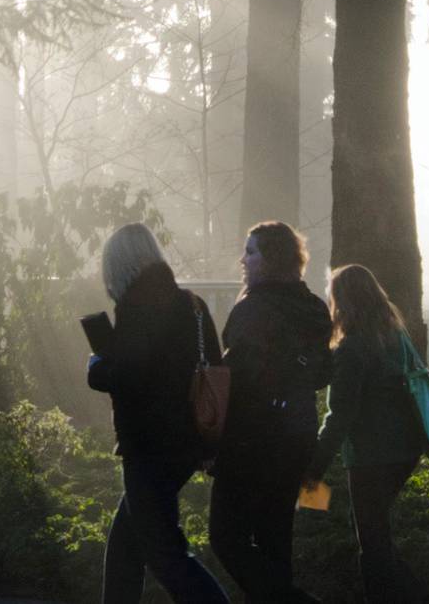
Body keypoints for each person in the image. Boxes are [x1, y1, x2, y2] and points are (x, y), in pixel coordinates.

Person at [85, 224, 228, 604]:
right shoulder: (192, 305)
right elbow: (212, 364)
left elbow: (130, 375)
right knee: (125, 551)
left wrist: (96, 367)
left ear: (119, 265)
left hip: (148, 448)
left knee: (166, 555)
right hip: (186, 444)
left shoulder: (137, 307)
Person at [208, 221, 332, 604]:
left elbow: (238, 377)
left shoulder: (254, 308)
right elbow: (323, 372)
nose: (243, 259)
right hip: (297, 433)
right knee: (275, 536)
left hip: (252, 437)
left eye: (251, 251)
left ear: (271, 258)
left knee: (226, 537)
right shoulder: (313, 307)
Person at [308, 265, 429, 603]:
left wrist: (313, 469)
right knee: (377, 534)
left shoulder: (351, 350)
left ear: (342, 302)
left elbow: (339, 417)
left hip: (371, 457)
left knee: (372, 544)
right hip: (407, 449)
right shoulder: (397, 337)